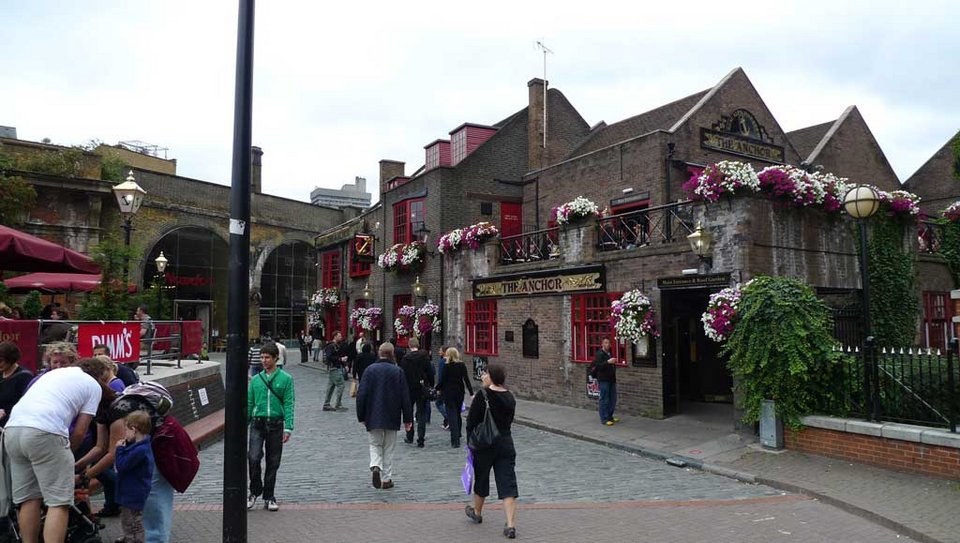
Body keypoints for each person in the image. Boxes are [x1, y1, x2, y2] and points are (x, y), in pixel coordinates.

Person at [5, 357, 108, 543]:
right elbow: (80, 431)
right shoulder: (93, 385)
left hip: (13, 430)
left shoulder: (53, 374)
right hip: (46, 431)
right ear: (99, 376)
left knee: (29, 498)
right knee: (58, 502)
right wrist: (68, 452)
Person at [464, 364, 519, 539]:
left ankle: (477, 512)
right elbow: (509, 420)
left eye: (485, 373)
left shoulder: (483, 395)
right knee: (507, 481)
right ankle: (510, 524)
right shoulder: (510, 396)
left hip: (484, 444)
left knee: (481, 477)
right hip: (505, 442)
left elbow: (471, 421)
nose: (482, 376)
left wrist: (469, 443)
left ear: (491, 376)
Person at [356, 342, 412, 490]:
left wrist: (361, 415)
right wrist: (408, 419)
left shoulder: (369, 370)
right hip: (392, 415)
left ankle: (375, 465)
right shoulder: (397, 371)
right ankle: (386, 479)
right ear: (392, 354)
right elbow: (405, 397)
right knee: (388, 447)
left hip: (373, 415)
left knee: (375, 444)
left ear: (379, 352)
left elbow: (361, 395)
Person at [246, 342, 295, 512]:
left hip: (276, 424)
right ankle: (254, 490)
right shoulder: (256, 380)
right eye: (262, 357)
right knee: (253, 457)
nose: (264, 360)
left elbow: (289, 403)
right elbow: (249, 402)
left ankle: (269, 495)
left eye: (267, 357)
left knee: (273, 462)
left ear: (276, 358)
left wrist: (288, 427)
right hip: (257, 422)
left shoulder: (286, 379)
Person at [115, 411, 155, 543]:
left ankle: (133, 539)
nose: (124, 433)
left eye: (126, 429)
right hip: (135, 489)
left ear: (134, 429)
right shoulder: (143, 445)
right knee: (132, 517)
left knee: (131, 519)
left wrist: (119, 450)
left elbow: (122, 465)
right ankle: (130, 537)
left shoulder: (139, 450)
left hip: (132, 491)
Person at [398, 337, 435, 447]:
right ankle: (421, 439)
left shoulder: (405, 359)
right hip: (422, 388)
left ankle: (410, 436)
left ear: (409, 346)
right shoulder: (424, 357)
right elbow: (430, 372)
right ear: (418, 345)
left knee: (408, 413)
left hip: (409, 389)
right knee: (421, 413)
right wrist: (430, 385)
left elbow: (402, 375)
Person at [437, 347, 473, 448]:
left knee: (451, 414)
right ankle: (459, 433)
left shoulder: (446, 366)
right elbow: (466, 379)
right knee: (457, 413)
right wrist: (471, 393)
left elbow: (442, 381)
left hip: (448, 392)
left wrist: (436, 388)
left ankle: (455, 439)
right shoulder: (461, 365)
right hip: (459, 392)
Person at [0, 342, 33, 427]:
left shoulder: (25, 377)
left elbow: (28, 404)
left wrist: (7, 412)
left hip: (14, 425)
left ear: (11, 359)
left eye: (0, 361)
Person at [591, 338, 620, 426]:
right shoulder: (599, 354)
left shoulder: (609, 353)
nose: (607, 344)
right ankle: (604, 418)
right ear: (602, 344)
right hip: (603, 380)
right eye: (605, 343)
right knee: (604, 399)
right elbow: (598, 366)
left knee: (613, 398)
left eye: (608, 343)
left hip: (611, 379)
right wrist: (608, 362)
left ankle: (610, 416)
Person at [322, 331, 348, 412]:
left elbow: (338, 356)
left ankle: (326, 404)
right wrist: (340, 359)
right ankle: (338, 404)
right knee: (341, 385)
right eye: (339, 336)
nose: (341, 337)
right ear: (335, 336)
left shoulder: (336, 345)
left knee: (331, 387)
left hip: (335, 367)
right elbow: (330, 356)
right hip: (334, 368)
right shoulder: (331, 346)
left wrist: (344, 364)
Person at [435, 346, 449, 430]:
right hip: (450, 387)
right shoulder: (451, 361)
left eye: (440, 350)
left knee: (439, 403)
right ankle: (446, 422)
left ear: (444, 352)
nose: (439, 352)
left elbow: (440, 376)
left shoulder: (442, 362)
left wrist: (438, 388)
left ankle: (448, 418)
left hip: (443, 387)